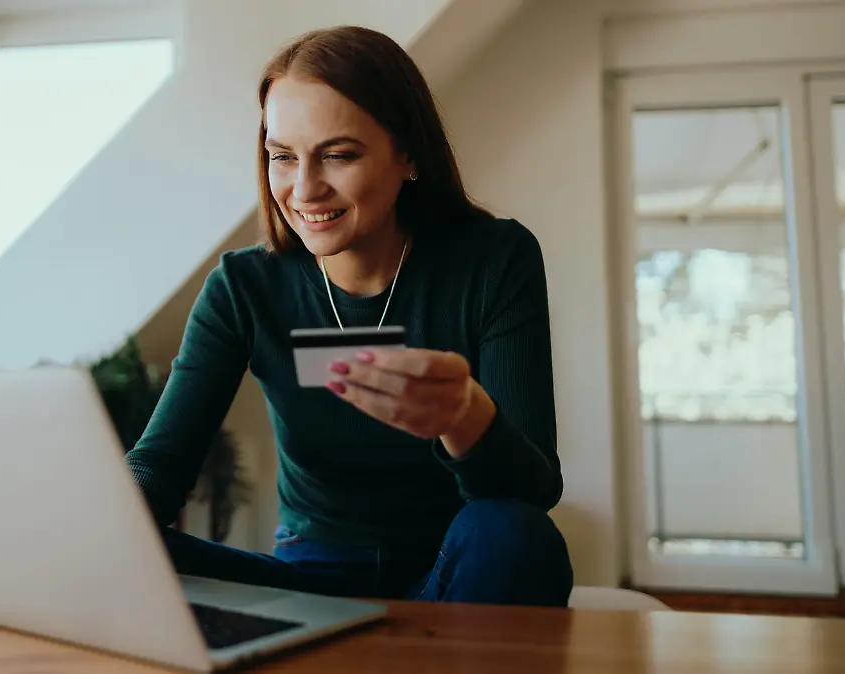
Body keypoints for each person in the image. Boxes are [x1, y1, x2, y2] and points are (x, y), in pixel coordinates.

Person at [124, 25, 572, 607]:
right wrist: (92, 527)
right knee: (128, 551)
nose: (305, 189)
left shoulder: (493, 261)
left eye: (337, 155)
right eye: (282, 157)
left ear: (407, 154)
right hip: (311, 582)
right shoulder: (244, 286)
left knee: (514, 532)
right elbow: (160, 465)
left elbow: (532, 493)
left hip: (452, 573)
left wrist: (465, 417)